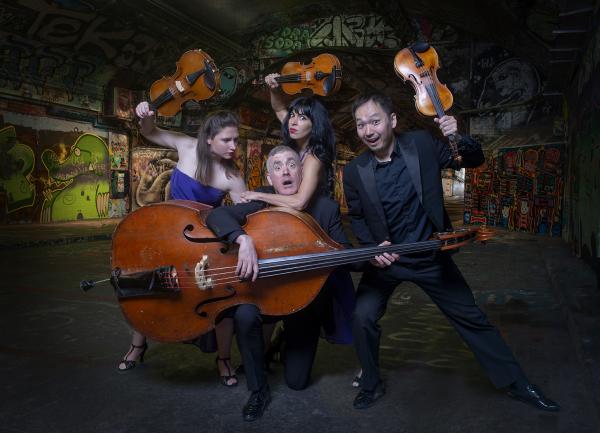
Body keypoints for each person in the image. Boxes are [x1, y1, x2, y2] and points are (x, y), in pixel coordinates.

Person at [343, 92, 560, 411]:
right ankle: (371, 382)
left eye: (375, 121)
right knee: (361, 316)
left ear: (392, 121)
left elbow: (472, 160)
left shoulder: (421, 144)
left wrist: (455, 135)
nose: (368, 130)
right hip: (387, 262)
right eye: (361, 125)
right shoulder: (354, 170)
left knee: (472, 318)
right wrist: (372, 249)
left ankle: (517, 383)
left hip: (431, 255)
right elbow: (358, 216)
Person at [206, 145, 359, 421]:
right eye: (277, 167)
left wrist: (374, 254)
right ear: (270, 176)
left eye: (291, 164)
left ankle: (283, 340)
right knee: (244, 314)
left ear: (302, 171)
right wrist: (243, 239)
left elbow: (346, 257)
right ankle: (258, 390)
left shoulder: (325, 208)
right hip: (264, 296)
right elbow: (216, 216)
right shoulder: (259, 201)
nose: (285, 171)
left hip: (304, 304)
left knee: (297, 382)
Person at [118, 102, 246, 388]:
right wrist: (145, 116)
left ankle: (223, 359)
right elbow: (150, 132)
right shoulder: (186, 147)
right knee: (148, 287)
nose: (233, 146)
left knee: (223, 300)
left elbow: (244, 215)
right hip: (166, 232)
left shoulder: (232, 176)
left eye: (236, 140)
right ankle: (138, 345)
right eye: (227, 139)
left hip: (204, 242)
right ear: (209, 138)